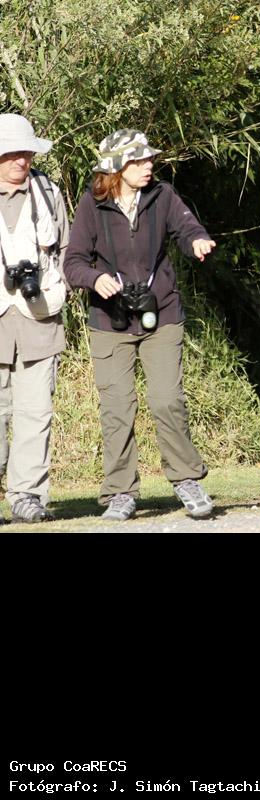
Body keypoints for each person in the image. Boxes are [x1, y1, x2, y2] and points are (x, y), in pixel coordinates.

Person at [63, 129, 216, 521]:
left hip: (161, 314)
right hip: (109, 320)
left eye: (149, 159)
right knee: (117, 409)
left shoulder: (163, 195)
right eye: (139, 160)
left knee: (167, 400)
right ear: (118, 167)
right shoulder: (92, 204)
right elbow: (73, 262)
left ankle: (186, 479)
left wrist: (197, 241)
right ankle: (120, 492)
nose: (149, 165)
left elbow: (187, 228)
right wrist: (95, 278)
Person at [0, 113, 70, 523]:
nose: (20, 160)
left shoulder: (48, 192)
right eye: (11, 153)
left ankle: (27, 496)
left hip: (40, 316)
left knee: (36, 413)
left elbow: (66, 248)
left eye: (25, 152)